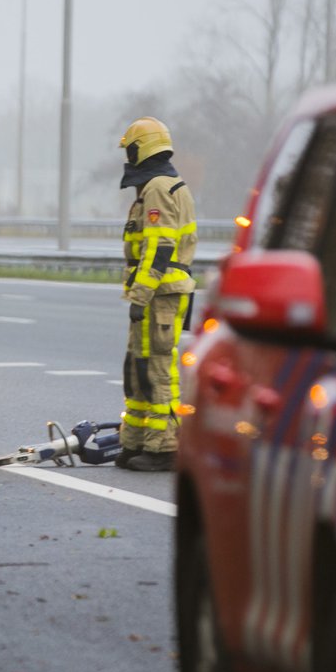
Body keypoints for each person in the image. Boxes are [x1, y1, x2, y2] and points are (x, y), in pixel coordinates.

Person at [116, 117, 197, 472]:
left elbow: (160, 247)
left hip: (159, 294)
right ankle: (135, 442)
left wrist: (141, 294)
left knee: (157, 369)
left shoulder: (158, 188)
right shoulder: (154, 185)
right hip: (156, 292)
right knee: (137, 367)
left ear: (142, 148)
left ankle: (164, 448)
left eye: (130, 149)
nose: (128, 156)